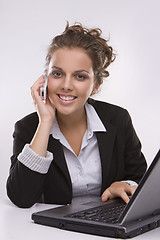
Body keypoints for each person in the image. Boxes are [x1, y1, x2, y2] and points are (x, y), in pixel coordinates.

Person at [6, 22, 147, 208]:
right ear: (45, 80)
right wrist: (46, 121)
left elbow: (140, 177)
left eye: (80, 76)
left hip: (109, 230)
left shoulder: (118, 119)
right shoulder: (28, 128)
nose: (66, 85)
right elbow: (21, 198)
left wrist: (125, 185)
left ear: (95, 85)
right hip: (54, 233)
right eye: (57, 74)